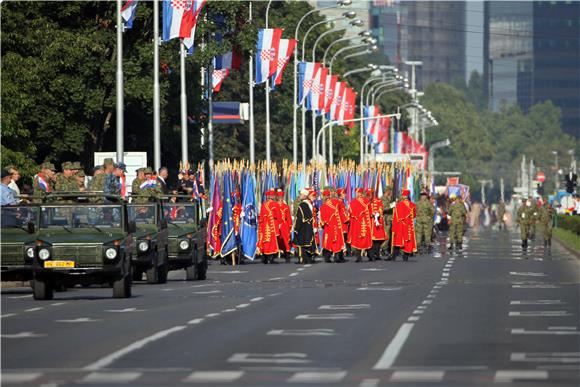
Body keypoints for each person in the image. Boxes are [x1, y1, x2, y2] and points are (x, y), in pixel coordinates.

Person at [320, 189, 346, 263]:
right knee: (337, 241)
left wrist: (322, 225)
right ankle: (338, 257)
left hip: (328, 226)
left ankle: (328, 257)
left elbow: (322, 220)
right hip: (336, 225)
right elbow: (342, 211)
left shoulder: (323, 206)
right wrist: (345, 220)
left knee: (328, 242)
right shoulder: (336, 202)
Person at [256, 190, 281, 264]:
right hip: (272, 225)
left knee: (265, 241)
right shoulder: (275, 204)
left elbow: (260, 217)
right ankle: (271, 257)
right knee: (272, 242)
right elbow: (279, 216)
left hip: (264, 225)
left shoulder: (264, 205)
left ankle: (264, 257)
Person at [391, 189, 417, 261]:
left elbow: (396, 217)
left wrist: (394, 226)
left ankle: (393, 256)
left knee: (398, 240)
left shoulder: (399, 205)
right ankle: (405, 256)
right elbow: (414, 215)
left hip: (401, 225)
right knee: (407, 240)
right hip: (409, 225)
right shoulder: (412, 205)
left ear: (403, 196)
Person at [348, 188, 372, 262]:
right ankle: (370, 256)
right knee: (367, 239)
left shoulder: (353, 202)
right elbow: (370, 213)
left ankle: (359, 257)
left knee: (358, 240)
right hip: (366, 223)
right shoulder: (367, 201)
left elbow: (351, 214)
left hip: (357, 223)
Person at [293, 189, 316, 264]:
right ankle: (308, 259)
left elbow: (300, 218)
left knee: (301, 244)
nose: (299, 196)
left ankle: (302, 259)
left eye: (300, 195)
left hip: (303, 227)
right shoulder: (307, 204)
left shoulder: (302, 205)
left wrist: (296, 228)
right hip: (308, 227)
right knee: (307, 243)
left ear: (304, 196)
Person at [368, 188, 387, 261]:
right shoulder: (366, 202)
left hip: (376, 223)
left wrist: (377, 213)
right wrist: (371, 213)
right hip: (369, 223)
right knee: (370, 240)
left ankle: (377, 254)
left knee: (378, 240)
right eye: (368, 194)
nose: (369, 196)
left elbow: (380, 210)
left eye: (371, 194)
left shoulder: (378, 201)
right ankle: (371, 254)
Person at [276, 189, 293, 263]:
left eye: (281, 197)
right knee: (277, 240)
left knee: (286, 240)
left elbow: (288, 217)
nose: (280, 198)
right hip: (277, 225)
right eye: (279, 196)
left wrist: (290, 226)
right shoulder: (275, 205)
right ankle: (276, 253)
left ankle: (287, 255)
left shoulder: (286, 206)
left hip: (284, 225)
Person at [336, 188, 350, 258]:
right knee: (341, 239)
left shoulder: (342, 202)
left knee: (343, 239)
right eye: (343, 194)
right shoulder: (339, 203)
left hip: (344, 224)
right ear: (340, 195)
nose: (345, 195)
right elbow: (341, 214)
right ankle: (339, 255)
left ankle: (341, 255)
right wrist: (347, 219)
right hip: (341, 224)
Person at [381, 187, 395, 259]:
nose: (390, 192)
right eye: (390, 191)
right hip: (385, 219)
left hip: (389, 219)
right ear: (387, 191)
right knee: (386, 235)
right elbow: (383, 208)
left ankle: (386, 248)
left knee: (388, 235)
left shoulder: (388, 198)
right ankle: (383, 249)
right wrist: (392, 205)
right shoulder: (383, 199)